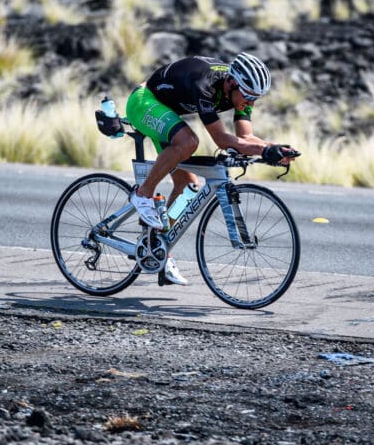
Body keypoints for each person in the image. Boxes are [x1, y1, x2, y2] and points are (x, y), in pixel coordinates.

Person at [125, 52, 299, 285]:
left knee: (188, 188)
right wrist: (264, 151)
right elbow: (222, 140)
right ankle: (142, 194)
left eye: (256, 99)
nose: (250, 104)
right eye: (248, 97)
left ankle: (158, 249)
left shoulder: (240, 91)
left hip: (167, 110)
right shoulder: (205, 84)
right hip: (143, 102)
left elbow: (245, 136)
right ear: (231, 83)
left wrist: (274, 148)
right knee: (189, 142)